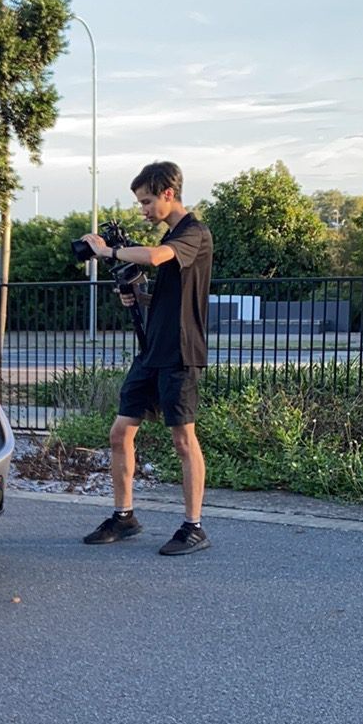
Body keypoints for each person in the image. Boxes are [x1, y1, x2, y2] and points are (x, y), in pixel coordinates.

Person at [79, 161, 214, 556]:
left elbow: (155, 257)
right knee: (120, 433)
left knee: (183, 439)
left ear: (168, 194)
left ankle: (194, 527)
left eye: (147, 201)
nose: (143, 210)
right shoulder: (173, 236)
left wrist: (108, 251)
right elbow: (168, 297)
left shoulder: (194, 233)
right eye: (140, 202)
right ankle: (125, 517)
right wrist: (137, 298)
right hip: (151, 351)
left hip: (181, 352)